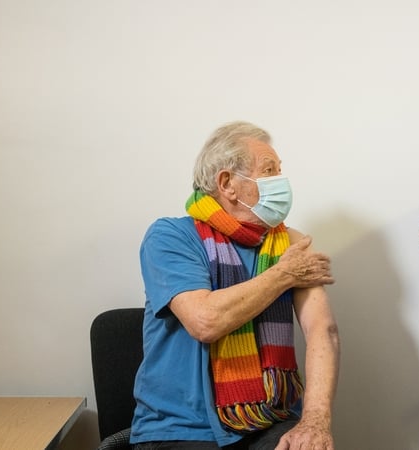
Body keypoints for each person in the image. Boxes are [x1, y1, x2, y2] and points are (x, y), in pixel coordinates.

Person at [130, 121, 340, 449]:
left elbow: (322, 331)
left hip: (269, 420)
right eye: (269, 170)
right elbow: (205, 321)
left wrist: (314, 420)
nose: (281, 182)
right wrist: (284, 274)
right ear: (227, 183)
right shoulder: (170, 236)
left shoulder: (290, 244)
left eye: (280, 171)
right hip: (179, 429)